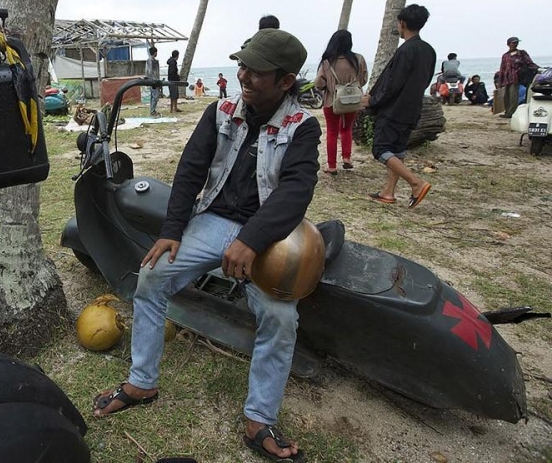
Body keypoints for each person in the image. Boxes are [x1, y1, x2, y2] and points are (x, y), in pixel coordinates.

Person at [92, 28, 321, 463]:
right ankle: (143, 381)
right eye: (243, 67)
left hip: (268, 233)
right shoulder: (221, 111)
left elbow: (295, 191)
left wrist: (252, 240)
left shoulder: (303, 127)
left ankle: (259, 418)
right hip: (215, 219)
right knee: (153, 275)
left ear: (286, 81)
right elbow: (191, 169)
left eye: (256, 71)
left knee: (279, 315)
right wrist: (172, 230)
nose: (244, 76)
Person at [362, 4, 436, 209]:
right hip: (413, 108)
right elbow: (426, 79)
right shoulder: (429, 51)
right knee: (397, 150)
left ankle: (416, 183)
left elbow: (393, 84)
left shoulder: (406, 50)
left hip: (394, 109)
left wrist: (373, 101)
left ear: (402, 23)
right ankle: (388, 192)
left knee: (380, 149)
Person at [313, 30, 368, 174]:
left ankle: (332, 166)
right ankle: (347, 158)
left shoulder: (327, 61)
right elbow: (363, 80)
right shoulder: (359, 59)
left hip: (332, 101)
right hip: (353, 100)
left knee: (332, 132)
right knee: (346, 129)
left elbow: (319, 83)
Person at [496, 36, 538, 119]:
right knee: (506, 96)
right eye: (514, 42)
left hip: (516, 78)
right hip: (507, 78)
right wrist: (500, 81)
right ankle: (507, 111)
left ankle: (511, 113)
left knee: (513, 96)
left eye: (517, 42)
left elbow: (529, 63)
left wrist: (538, 68)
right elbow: (502, 68)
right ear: (508, 44)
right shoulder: (505, 56)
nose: (516, 44)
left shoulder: (522, 53)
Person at [146, 46, 161, 117]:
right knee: (155, 96)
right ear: (154, 52)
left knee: (153, 96)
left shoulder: (155, 61)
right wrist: (153, 80)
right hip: (153, 81)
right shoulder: (150, 60)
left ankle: (153, 110)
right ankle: (152, 111)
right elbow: (150, 71)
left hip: (155, 80)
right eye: (156, 52)